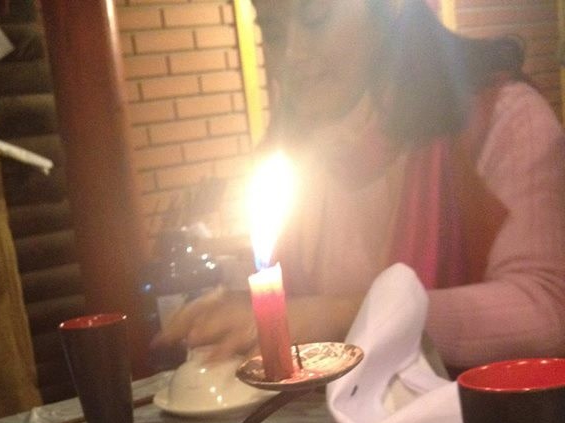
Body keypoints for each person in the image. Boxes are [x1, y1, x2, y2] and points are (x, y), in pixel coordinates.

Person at [155, 0, 565, 375]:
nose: (292, 55)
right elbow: (282, 293)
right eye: (274, 31)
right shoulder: (289, 153)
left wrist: (345, 314)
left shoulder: (502, 119)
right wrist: (243, 311)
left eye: (316, 18)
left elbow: (548, 313)